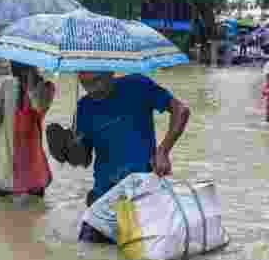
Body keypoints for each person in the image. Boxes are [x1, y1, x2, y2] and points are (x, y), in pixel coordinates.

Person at [67, 72, 191, 244]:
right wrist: (70, 149)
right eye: (85, 84)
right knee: (86, 258)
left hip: (142, 193)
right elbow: (84, 159)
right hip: (105, 197)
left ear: (110, 72)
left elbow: (181, 110)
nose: (93, 89)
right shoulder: (83, 108)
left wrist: (163, 151)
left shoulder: (137, 85)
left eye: (97, 81)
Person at [0, 62, 56, 198]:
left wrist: (30, 84)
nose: (13, 66)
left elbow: (39, 106)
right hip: (0, 173)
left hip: (31, 175)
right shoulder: (7, 86)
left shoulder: (47, 88)